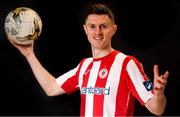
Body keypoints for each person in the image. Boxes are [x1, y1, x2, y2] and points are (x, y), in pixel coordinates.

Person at [9, 3, 169, 116]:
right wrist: (29, 55)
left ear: (113, 30)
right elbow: (51, 88)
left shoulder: (127, 64)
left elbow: (157, 109)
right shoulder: (84, 66)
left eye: (103, 26)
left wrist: (159, 94)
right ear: (85, 29)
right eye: (92, 26)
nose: (97, 32)